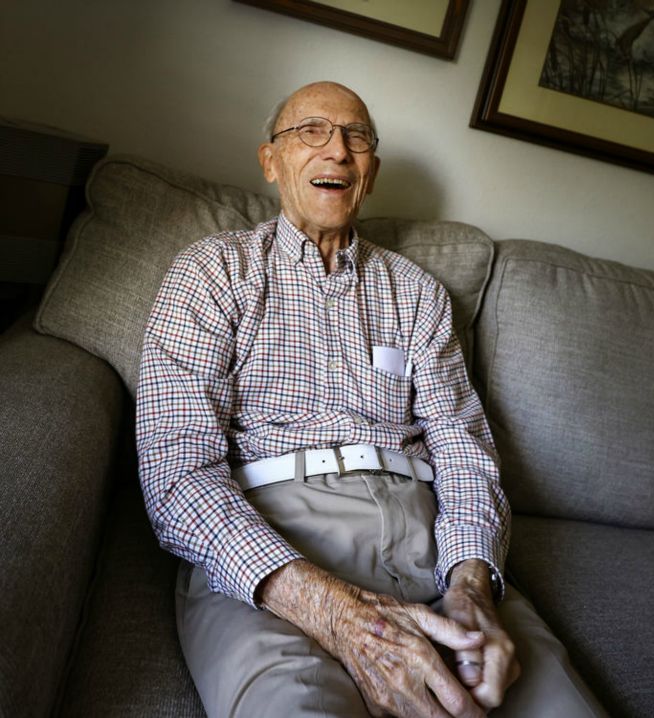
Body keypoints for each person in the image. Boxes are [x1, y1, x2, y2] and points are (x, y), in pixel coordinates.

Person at [135, 81, 604, 718]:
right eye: (311, 132)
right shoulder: (213, 272)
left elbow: (465, 454)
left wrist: (471, 583)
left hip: (427, 541)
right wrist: (331, 610)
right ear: (270, 162)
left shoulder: (417, 294)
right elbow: (175, 470)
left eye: (357, 138)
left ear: (371, 173)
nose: (338, 151)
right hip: (272, 554)